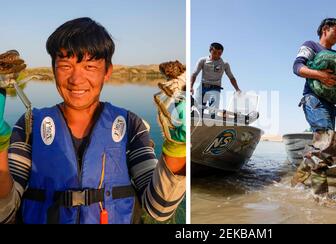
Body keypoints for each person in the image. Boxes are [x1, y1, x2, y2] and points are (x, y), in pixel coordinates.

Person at [0, 17, 186, 224]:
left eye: (89, 66)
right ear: (53, 69)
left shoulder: (131, 125)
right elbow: (4, 212)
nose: (76, 79)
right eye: (65, 65)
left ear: (107, 71)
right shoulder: (30, 125)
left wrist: (178, 147)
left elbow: (159, 209)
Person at [291, 18, 336, 202]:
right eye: (335, 32)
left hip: (330, 105)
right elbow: (297, 67)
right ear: (325, 29)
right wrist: (320, 75)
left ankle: (295, 184)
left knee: (326, 145)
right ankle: (321, 197)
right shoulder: (311, 46)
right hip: (313, 100)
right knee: (327, 142)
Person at [191, 42, 241, 109]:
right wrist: (190, 86)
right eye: (214, 53)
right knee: (196, 110)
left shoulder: (224, 64)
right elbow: (194, 74)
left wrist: (237, 89)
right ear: (210, 51)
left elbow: (231, 77)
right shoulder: (203, 61)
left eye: (219, 53)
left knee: (213, 112)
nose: (217, 55)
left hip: (215, 88)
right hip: (202, 87)